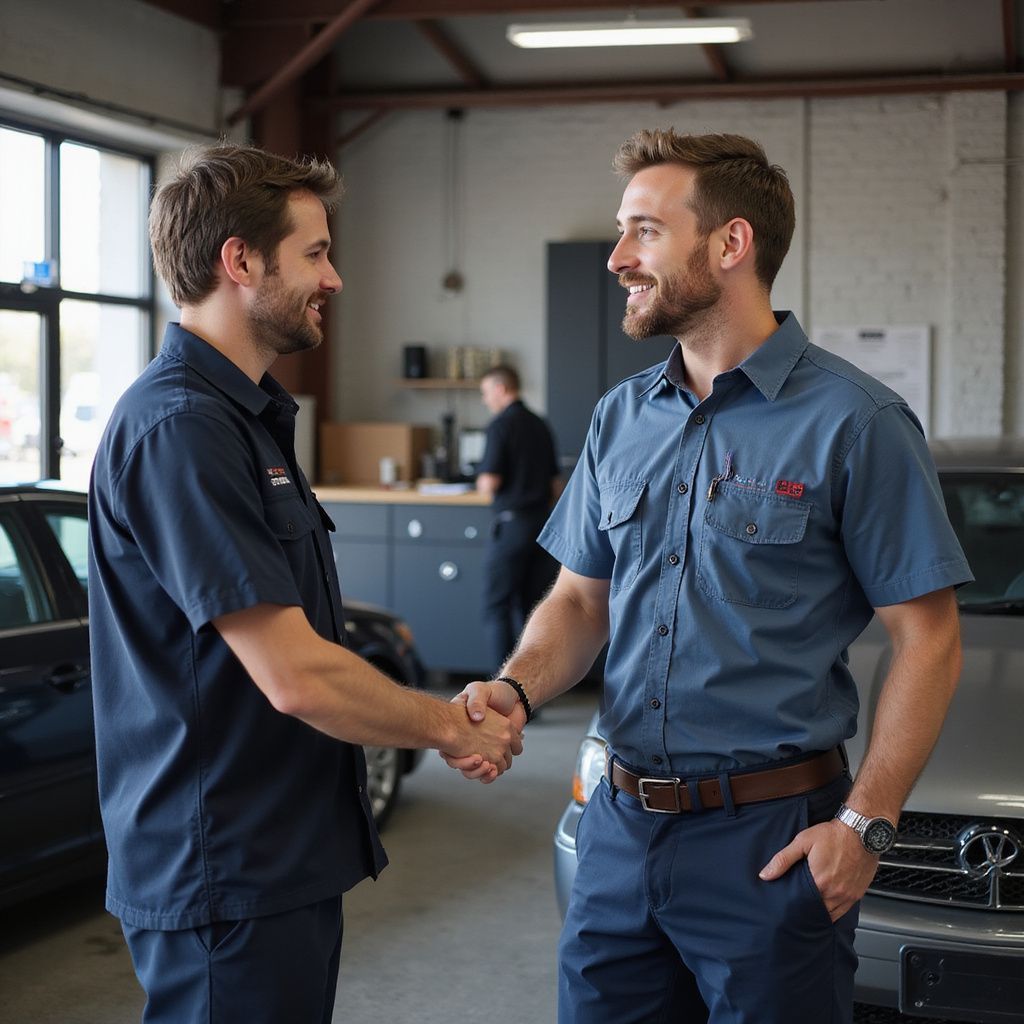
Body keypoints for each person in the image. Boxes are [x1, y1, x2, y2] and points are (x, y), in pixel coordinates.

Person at [445, 129, 972, 1023]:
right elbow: (580, 599)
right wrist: (516, 689)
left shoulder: (856, 423)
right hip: (617, 827)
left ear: (731, 245)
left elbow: (929, 639)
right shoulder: (621, 418)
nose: (618, 259)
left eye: (644, 231)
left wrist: (865, 827)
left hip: (768, 842)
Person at [88, 143, 521, 1024]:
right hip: (225, 869)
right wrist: (447, 725)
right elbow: (297, 674)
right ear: (239, 261)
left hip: (276, 859)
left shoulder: (246, 420)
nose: (336, 278)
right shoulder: (182, 429)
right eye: (315, 253)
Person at [476, 364, 562, 671]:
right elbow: (556, 485)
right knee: (532, 611)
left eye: (486, 393)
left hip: (512, 526)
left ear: (501, 389)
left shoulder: (501, 426)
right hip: (542, 526)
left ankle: (502, 691)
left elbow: (490, 483)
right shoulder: (540, 424)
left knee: (496, 606)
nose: (486, 400)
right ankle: (531, 696)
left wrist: (479, 480)